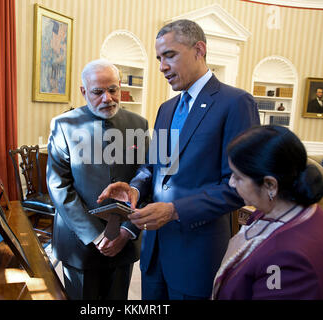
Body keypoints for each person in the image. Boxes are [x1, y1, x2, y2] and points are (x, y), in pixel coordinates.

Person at [97, 19, 260, 299]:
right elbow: (154, 167)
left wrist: (174, 210)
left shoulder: (236, 103)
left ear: (199, 50)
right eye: (159, 58)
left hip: (196, 256)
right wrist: (134, 188)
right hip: (154, 253)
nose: (162, 66)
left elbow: (238, 188)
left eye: (169, 55)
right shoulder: (167, 108)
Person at [46, 59, 148, 300]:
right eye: (98, 92)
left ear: (120, 86)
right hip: (79, 241)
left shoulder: (139, 124)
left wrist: (126, 231)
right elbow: (58, 185)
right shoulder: (63, 126)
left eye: (112, 89)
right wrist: (96, 235)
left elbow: (146, 176)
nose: (107, 98)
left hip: (124, 240)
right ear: (83, 92)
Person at [212, 125, 323, 299]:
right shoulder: (294, 208)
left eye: (238, 177)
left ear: (270, 185)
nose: (231, 183)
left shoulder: (288, 259)